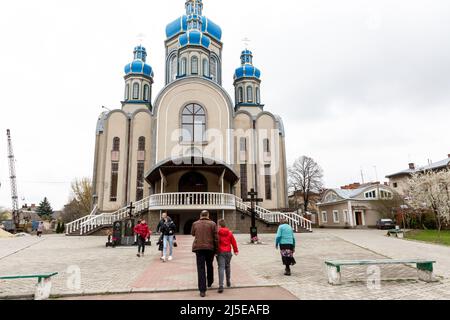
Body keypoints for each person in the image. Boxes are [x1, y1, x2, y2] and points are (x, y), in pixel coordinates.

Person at [191, 210, 218, 297]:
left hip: (199, 248)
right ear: (208, 215)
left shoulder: (195, 223)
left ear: (200, 215)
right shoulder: (213, 224)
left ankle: (202, 290)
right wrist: (216, 250)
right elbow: (216, 238)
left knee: (201, 268)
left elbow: (192, 234)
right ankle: (210, 282)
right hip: (210, 248)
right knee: (209, 265)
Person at [216, 219, 239, 293]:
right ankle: (228, 281)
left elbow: (216, 243)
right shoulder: (229, 233)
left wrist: (215, 252)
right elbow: (233, 242)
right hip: (228, 252)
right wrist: (236, 250)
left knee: (221, 268)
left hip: (221, 252)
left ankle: (221, 285)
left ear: (219, 225)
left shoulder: (218, 233)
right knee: (228, 266)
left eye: (218, 225)